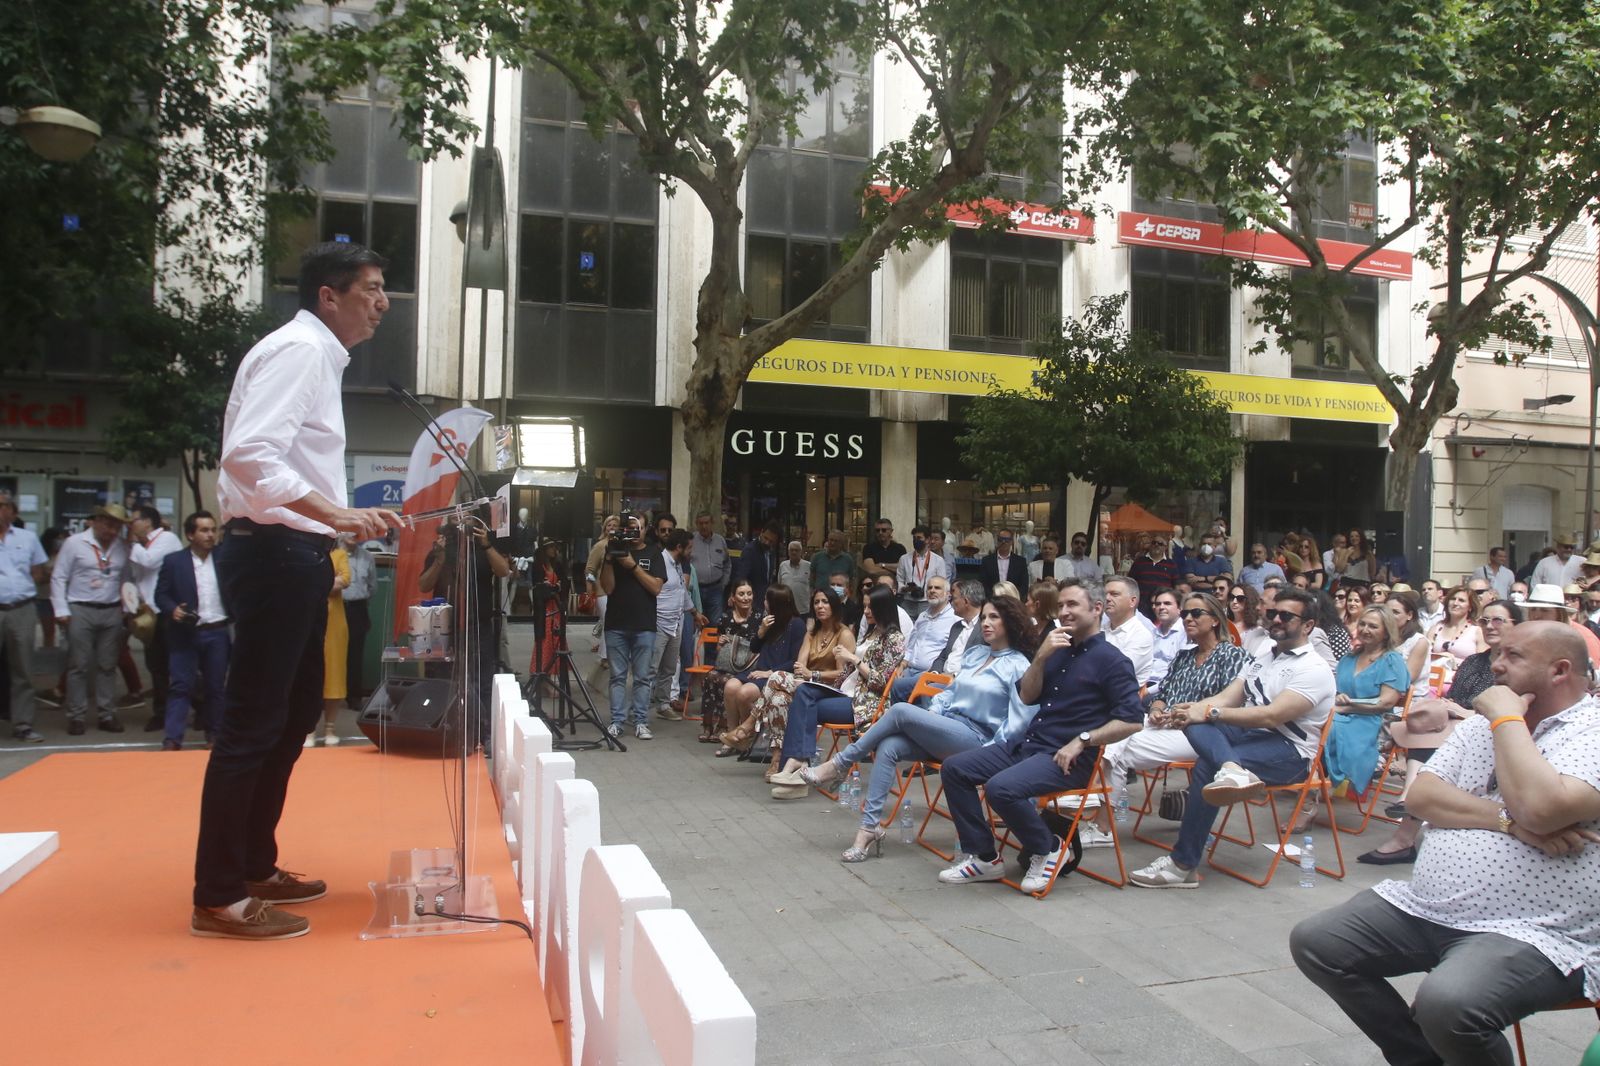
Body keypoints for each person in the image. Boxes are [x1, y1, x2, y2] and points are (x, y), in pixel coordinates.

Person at [192, 241, 404, 940]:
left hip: (296, 553)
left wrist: (336, 525)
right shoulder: (301, 351)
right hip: (274, 553)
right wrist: (336, 512)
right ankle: (219, 893)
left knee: (291, 717)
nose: (383, 302)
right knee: (255, 724)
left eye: (383, 290)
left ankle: (254, 862)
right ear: (328, 296)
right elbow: (249, 456)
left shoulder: (312, 353)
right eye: (370, 289)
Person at [1292, 621, 1600, 1065]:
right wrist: (1509, 823)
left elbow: (1542, 807)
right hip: (1430, 907)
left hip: (1536, 927)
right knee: (1318, 942)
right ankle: (1422, 1060)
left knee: (1449, 1004)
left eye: (1513, 656)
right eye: (1498, 654)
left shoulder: (1586, 729)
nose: (1496, 665)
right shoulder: (1483, 726)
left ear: (1560, 669)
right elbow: (1421, 796)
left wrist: (1509, 718)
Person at [935, 578, 1143, 893]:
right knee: (955, 769)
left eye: (1072, 604)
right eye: (1061, 606)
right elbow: (1028, 697)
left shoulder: (1113, 660)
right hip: (1029, 745)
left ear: (1097, 608)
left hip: (1068, 757)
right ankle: (985, 857)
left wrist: (1083, 740)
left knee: (1000, 788)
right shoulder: (1055, 650)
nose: (1064, 612)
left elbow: (1132, 720)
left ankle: (1049, 847)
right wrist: (1041, 657)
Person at [795, 595, 1041, 859]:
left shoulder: (1018, 665)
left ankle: (840, 763)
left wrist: (991, 751)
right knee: (889, 746)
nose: (986, 623)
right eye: (984, 618)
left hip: (979, 741)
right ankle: (869, 829)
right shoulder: (976, 654)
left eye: (994, 617)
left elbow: (1019, 721)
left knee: (901, 710)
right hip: (948, 728)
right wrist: (931, 719)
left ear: (1011, 622)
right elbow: (949, 694)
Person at [1129, 587, 1336, 889]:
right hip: (1250, 737)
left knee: (1204, 762)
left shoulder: (1313, 668)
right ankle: (1231, 770)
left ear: (1307, 625)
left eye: (1286, 616)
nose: (1276, 619)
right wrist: (1189, 710)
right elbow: (1229, 696)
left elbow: (1271, 716)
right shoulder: (1266, 654)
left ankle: (1183, 864)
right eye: (1273, 613)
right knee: (1195, 723)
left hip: (1291, 752)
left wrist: (1209, 713)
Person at [1360, 599, 1525, 865]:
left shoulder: (1521, 665)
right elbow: (1456, 699)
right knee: (1432, 734)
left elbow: (1514, 708)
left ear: (1516, 625)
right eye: (1484, 621)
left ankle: (1407, 816)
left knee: (1437, 744)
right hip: (1458, 730)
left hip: (1495, 734)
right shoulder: (1473, 662)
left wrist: (1468, 714)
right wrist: (1455, 710)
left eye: (1498, 620)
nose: (1489, 626)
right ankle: (1408, 815)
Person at [1084, 591, 1250, 848]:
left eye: (1196, 613)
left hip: (1202, 732)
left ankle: (1099, 818)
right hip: (1164, 726)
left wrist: (1184, 712)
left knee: (1115, 749)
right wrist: (1156, 710)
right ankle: (1100, 820)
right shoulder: (1184, 655)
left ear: (1216, 620)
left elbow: (1231, 702)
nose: (1188, 619)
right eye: (1185, 614)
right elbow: (1163, 693)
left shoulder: (1232, 655)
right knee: (1116, 735)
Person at [769, 586, 906, 799]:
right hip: (846, 692)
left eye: (872, 607)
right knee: (804, 691)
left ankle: (796, 766)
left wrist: (853, 659)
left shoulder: (895, 639)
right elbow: (846, 675)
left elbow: (881, 681)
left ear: (884, 608)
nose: (867, 611)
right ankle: (797, 765)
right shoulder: (870, 633)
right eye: (865, 606)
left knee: (805, 705)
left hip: (865, 702)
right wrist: (815, 679)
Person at [718, 586, 854, 761]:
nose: (820, 606)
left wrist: (812, 674)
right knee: (778, 699)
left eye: (825, 602)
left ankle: (747, 727)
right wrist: (803, 674)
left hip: (829, 689)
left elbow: (843, 674)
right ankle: (777, 759)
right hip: (806, 684)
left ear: (834, 605)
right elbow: (800, 665)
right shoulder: (812, 633)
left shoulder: (844, 634)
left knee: (776, 677)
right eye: (816, 602)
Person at [51, 503, 133, 735]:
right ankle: (76, 715)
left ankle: (107, 714)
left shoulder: (122, 547)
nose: (112, 530)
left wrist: (127, 606)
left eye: (116, 526)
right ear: (96, 521)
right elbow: (59, 577)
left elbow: (126, 579)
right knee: (78, 664)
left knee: (108, 665)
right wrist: (61, 610)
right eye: (108, 524)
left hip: (111, 610)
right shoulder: (75, 543)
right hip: (80, 608)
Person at [155, 511, 231, 751]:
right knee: (181, 685)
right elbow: (161, 594)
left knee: (216, 686)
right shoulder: (174, 561)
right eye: (204, 530)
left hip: (217, 631)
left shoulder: (224, 558)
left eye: (213, 529)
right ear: (190, 534)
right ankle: (173, 737)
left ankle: (215, 734)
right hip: (185, 632)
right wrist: (172, 609)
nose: (210, 535)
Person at [1323, 606, 1410, 798]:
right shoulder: (1348, 658)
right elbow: (1336, 692)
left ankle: (1321, 785)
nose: (1365, 629)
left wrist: (1346, 705)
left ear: (1386, 631)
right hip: (1340, 715)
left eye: (1373, 626)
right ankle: (1313, 780)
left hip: (1371, 722)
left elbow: (1385, 703)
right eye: (1362, 624)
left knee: (1326, 727)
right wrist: (1338, 699)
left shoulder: (1391, 661)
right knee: (1311, 723)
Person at [597, 512, 666, 740]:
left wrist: (632, 565)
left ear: (646, 530)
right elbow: (608, 588)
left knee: (642, 677)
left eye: (640, 528)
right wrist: (610, 559)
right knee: (617, 676)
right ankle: (616, 721)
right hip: (616, 623)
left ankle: (641, 721)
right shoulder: (616, 550)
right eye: (631, 528)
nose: (635, 532)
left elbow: (656, 588)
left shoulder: (654, 553)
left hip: (644, 624)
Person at [129, 504, 183, 733]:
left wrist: (132, 542)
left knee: (179, 664)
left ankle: (201, 707)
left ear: (148, 522)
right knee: (156, 666)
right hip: (149, 614)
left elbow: (149, 560)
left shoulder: (167, 539)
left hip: (167, 612)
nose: (131, 525)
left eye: (134, 520)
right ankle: (160, 712)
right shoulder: (142, 544)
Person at [0, 490, 48, 743]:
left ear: (12, 511)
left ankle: (23, 725)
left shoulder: (28, 538)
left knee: (23, 670)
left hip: (22, 609)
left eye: (1, 506)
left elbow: (38, 572)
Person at [697, 579, 759, 742]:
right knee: (710, 677)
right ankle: (708, 724)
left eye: (749, 594)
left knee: (725, 681)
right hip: (726, 663)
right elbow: (719, 650)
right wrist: (720, 643)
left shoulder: (759, 617)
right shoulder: (725, 617)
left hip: (747, 666)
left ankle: (724, 725)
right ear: (733, 598)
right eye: (741, 594)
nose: (746, 598)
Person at [308, 541, 351, 746]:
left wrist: (315, 584)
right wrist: (328, 582)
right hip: (307, 620)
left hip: (334, 624)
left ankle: (330, 728)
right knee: (308, 675)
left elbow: (344, 580)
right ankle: (308, 730)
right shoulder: (305, 553)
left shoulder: (340, 554)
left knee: (334, 674)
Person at [342, 532, 375, 708]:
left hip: (357, 609)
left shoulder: (367, 557)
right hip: (334, 607)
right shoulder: (331, 553)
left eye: (357, 531)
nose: (353, 534)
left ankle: (354, 696)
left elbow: (372, 587)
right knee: (327, 653)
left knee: (355, 655)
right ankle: (322, 699)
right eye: (350, 529)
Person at [527, 537, 567, 678]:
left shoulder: (558, 565)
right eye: (550, 547)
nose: (553, 550)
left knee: (556, 640)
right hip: (544, 608)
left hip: (556, 608)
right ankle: (543, 675)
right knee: (545, 641)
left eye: (554, 547)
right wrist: (553, 587)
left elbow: (562, 585)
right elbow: (540, 588)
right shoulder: (539, 566)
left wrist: (555, 588)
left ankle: (553, 674)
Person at [1102, 575, 1155, 680]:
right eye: (1104, 594)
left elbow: (1116, 672)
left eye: (1114, 594)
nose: (1107, 598)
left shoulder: (1141, 635)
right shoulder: (1098, 630)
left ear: (1132, 601)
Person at [584, 514, 621, 665]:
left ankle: (610, 654)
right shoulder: (600, 546)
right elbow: (590, 569)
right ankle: (605, 657)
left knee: (614, 624)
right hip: (602, 591)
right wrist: (590, 590)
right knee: (609, 623)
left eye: (615, 525)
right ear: (604, 528)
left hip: (619, 591)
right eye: (609, 525)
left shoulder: (622, 545)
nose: (611, 528)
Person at [895, 524, 947, 620]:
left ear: (927, 540)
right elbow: (899, 581)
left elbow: (943, 584)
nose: (916, 541)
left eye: (919, 538)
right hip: (908, 602)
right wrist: (905, 588)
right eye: (914, 538)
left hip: (928, 603)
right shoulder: (904, 559)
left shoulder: (938, 560)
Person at [1425, 585, 1482, 670]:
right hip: (1436, 679)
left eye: (1461, 600)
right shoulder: (1436, 628)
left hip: (1464, 679)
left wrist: (1454, 662)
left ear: (1470, 607)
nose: (1455, 603)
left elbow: (1483, 665)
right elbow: (1424, 657)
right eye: (1453, 599)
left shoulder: (1477, 631)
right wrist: (1440, 657)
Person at [690, 512, 729, 626]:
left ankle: (712, 645)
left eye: (706, 523)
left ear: (712, 523)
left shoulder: (720, 540)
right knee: (696, 624)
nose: (704, 526)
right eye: (701, 523)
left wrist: (724, 583)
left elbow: (727, 564)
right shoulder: (691, 540)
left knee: (715, 624)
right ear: (696, 524)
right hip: (696, 590)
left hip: (715, 590)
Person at [1145, 589, 1187, 690]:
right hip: (1145, 683)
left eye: (1167, 603)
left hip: (1169, 688)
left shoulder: (1186, 632)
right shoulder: (1151, 632)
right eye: (1158, 604)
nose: (1161, 607)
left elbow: (1180, 673)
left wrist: (1148, 691)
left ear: (1179, 608)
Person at [1227, 583, 1270, 656]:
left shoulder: (1258, 630)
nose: (1234, 602)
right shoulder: (1223, 625)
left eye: (1240, 598)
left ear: (1249, 601)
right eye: (1231, 597)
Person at [979, 528, 1028, 593]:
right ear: (997, 541)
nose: (1004, 542)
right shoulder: (987, 561)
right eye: (1001, 539)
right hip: (992, 599)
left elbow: (1024, 585)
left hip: (1013, 600)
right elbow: (983, 584)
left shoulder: (1020, 562)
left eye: (1007, 540)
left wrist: (1015, 599)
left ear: (1011, 542)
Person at [809, 528, 854, 595]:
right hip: (820, 596)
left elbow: (851, 580)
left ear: (841, 543)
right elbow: (812, 577)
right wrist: (812, 592)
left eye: (836, 541)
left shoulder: (848, 559)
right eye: (831, 540)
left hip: (840, 598)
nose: (832, 543)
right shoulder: (817, 557)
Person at [777, 540, 811, 608]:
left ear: (801, 552)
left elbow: (813, 586)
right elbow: (779, 585)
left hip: (804, 608)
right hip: (786, 607)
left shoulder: (809, 566)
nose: (794, 552)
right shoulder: (783, 565)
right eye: (791, 550)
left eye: (796, 550)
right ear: (788, 552)